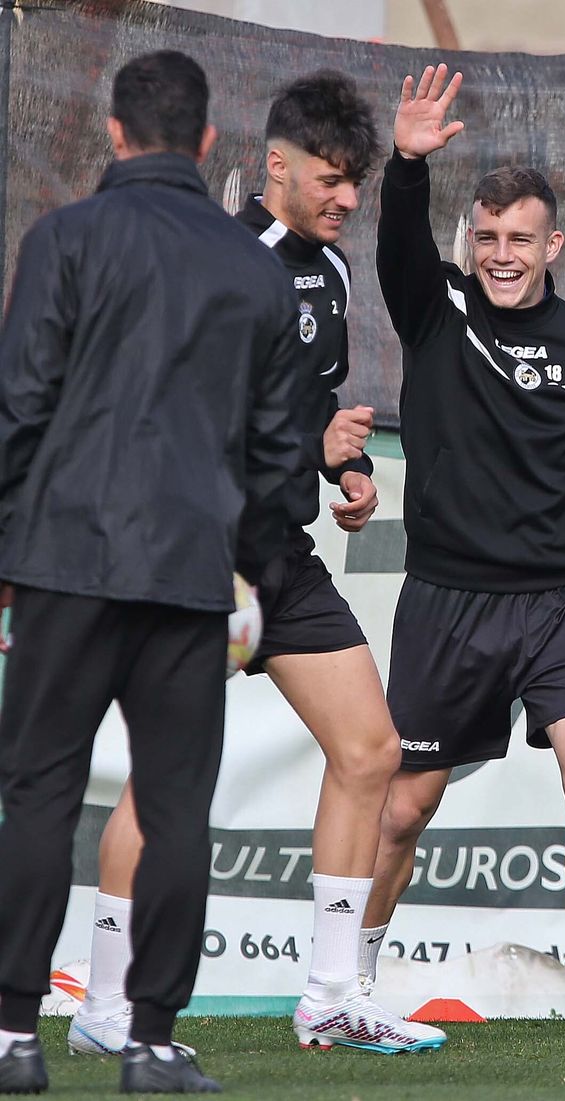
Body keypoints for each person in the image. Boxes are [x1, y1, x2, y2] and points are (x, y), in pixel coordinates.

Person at [62, 70, 445, 1058]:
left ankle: (331, 993)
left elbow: (307, 406)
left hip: (282, 556)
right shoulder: (224, 264)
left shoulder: (333, 271)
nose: (346, 198)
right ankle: (105, 1004)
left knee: (372, 750)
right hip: (199, 556)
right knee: (167, 776)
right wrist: (309, 446)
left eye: (356, 182)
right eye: (330, 178)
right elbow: (181, 422)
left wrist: (345, 468)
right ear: (275, 164)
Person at [0, 50, 300, 1094]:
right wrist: (250, 574)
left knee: (39, 794)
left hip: (65, 561)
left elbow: (19, 407)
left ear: (115, 133)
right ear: (207, 142)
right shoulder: (256, 268)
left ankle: (12, 1037)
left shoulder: (63, 238)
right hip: (190, 574)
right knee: (175, 807)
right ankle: (152, 1042)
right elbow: (276, 453)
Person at [358, 65, 565, 1037]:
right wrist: (407, 164)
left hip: (563, 602)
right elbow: (399, 246)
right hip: (447, 600)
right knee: (404, 809)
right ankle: (346, 979)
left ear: (552, 245)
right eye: (485, 238)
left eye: (519, 239)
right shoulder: (435, 310)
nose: (500, 255)